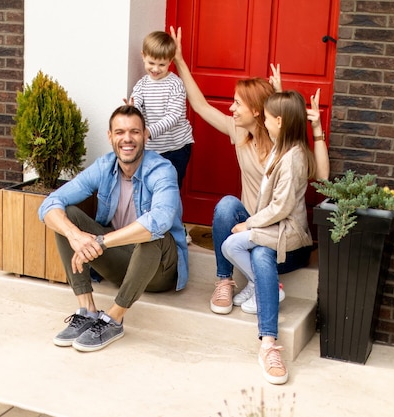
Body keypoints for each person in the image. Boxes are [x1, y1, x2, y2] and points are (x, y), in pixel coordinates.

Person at [169, 26, 330, 315]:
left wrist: (312, 127)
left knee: (258, 251)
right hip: (252, 227)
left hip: (280, 237)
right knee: (227, 206)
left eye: (237, 103)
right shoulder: (239, 133)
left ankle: (263, 294)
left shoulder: (285, 144)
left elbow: (321, 175)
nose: (231, 109)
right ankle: (224, 280)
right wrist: (179, 60)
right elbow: (200, 106)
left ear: (258, 112)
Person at [38, 105, 188, 352]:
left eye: (134, 132)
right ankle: (87, 310)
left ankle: (115, 318)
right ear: (110, 136)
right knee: (68, 217)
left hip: (159, 270)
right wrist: (76, 236)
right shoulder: (104, 167)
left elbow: (160, 220)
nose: (127, 139)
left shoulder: (161, 169)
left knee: (153, 236)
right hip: (120, 262)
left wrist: (100, 242)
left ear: (145, 135)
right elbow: (49, 204)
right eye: (119, 132)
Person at [221, 91, 316, 384]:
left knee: (250, 248)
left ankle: (268, 344)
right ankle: (268, 286)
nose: (262, 118)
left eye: (267, 115)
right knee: (230, 244)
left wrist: (250, 224)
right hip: (273, 230)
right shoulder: (280, 146)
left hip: (290, 237)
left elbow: (281, 207)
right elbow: (288, 112)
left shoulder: (294, 157)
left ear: (280, 121)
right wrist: (278, 88)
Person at [126, 30, 194, 189]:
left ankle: (171, 213)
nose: (155, 69)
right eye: (151, 63)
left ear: (170, 61)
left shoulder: (175, 84)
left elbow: (174, 116)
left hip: (176, 148)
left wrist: (149, 131)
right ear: (143, 56)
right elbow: (137, 103)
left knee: (170, 187)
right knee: (150, 186)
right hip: (151, 149)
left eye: (161, 65)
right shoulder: (142, 84)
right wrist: (131, 110)